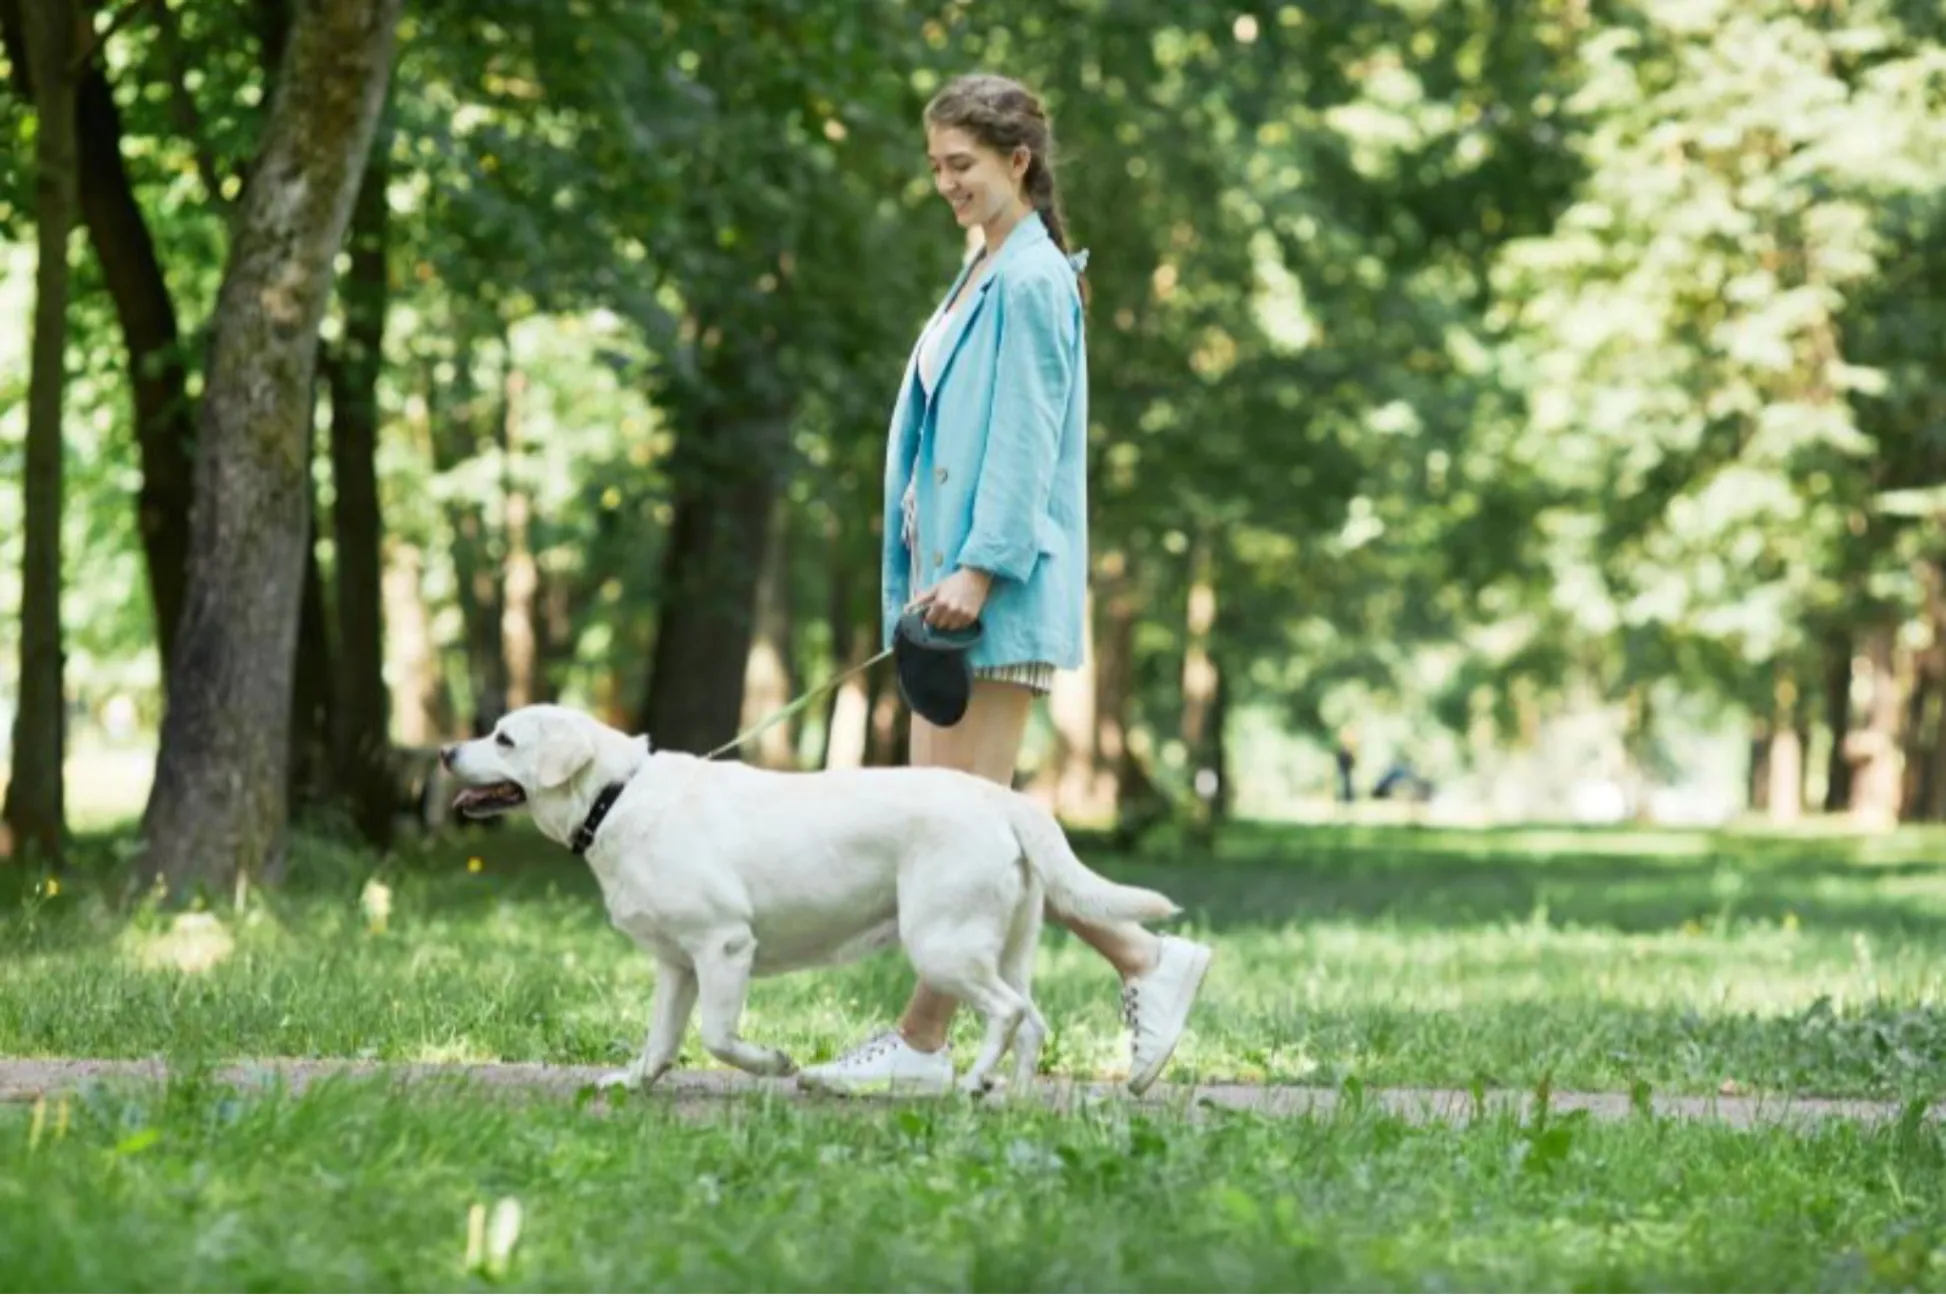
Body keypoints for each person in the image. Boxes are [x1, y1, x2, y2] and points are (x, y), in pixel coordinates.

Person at [796, 72, 1213, 1098]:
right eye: (935, 166)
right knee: (965, 825)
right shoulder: (980, 267)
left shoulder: (1030, 280)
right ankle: (1130, 964)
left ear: (1016, 162)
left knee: (961, 825)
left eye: (962, 166)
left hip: (989, 590)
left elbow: (1025, 448)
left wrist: (977, 572)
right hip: (944, 591)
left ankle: (928, 1042)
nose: (945, 183)